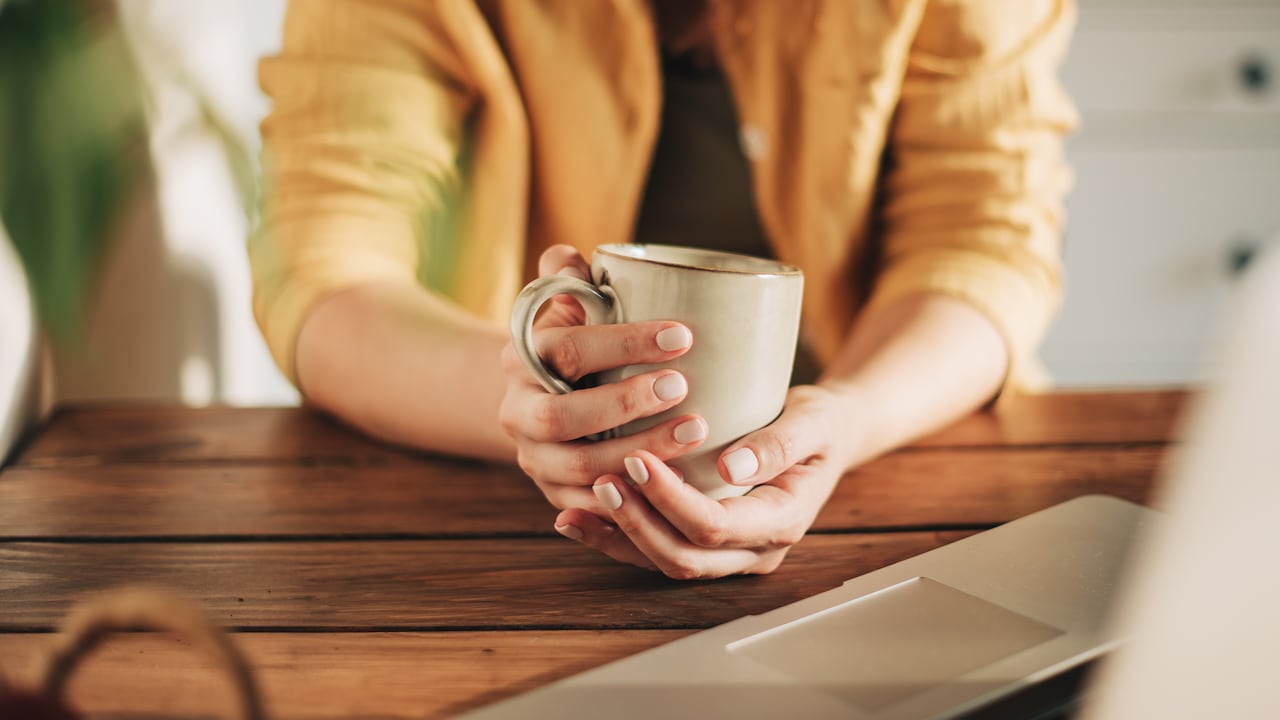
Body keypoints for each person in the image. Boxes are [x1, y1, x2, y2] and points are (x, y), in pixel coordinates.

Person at [250, 0, 1078, 579]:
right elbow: (323, 268)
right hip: (493, 511)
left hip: (897, 455)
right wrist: (537, 408)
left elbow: (981, 241)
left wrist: (850, 417)